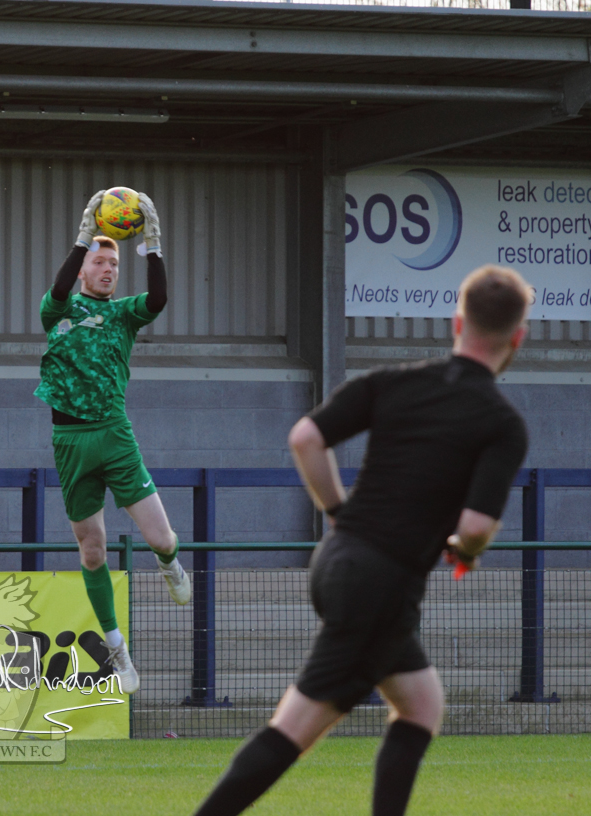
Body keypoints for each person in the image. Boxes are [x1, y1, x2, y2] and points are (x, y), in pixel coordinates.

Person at [189, 265, 531, 816]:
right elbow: (474, 526)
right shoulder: (501, 422)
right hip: (381, 584)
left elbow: (306, 437)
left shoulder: (394, 382)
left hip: (337, 560)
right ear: (518, 337)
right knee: (295, 727)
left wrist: (336, 512)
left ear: (457, 322)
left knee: (421, 704)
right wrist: (466, 551)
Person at [34, 189, 191, 695]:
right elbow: (59, 288)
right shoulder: (57, 309)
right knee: (93, 550)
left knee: (161, 539)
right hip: (70, 442)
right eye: (99, 263)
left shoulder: (124, 314)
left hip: (114, 435)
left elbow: (158, 300)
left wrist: (153, 245)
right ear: (83, 268)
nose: (107, 270)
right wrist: (83, 237)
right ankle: (118, 650)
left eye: (114, 265)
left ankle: (170, 564)